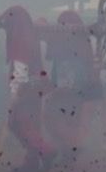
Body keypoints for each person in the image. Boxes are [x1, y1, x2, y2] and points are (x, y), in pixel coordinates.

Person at [0, 5, 56, 172]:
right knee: (32, 125)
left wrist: (14, 97)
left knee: (18, 122)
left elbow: (20, 70)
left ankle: (46, 151)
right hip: (34, 88)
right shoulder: (29, 35)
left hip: (26, 89)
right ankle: (32, 161)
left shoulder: (20, 38)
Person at [42, 10, 101, 164]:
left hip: (73, 97)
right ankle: (71, 149)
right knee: (68, 122)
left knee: (56, 118)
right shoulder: (79, 50)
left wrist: (53, 94)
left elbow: (67, 85)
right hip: (78, 96)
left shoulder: (70, 55)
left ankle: (72, 149)